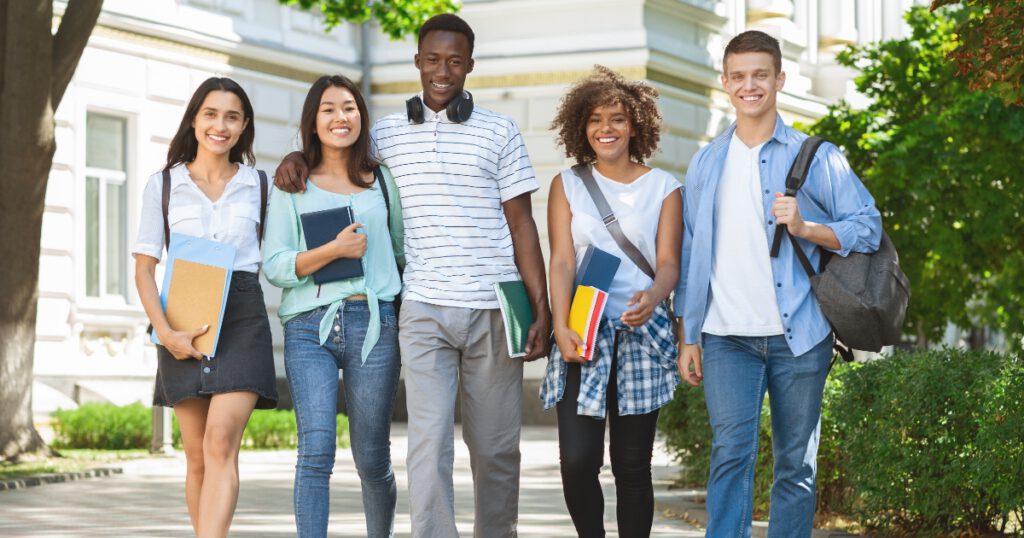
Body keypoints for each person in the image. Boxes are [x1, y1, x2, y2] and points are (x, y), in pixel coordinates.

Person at [273, 14, 552, 538]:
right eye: (432, 59)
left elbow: (523, 225)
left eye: (454, 61)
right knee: (428, 445)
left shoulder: (501, 131)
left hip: (493, 304)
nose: (442, 70)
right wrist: (296, 157)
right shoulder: (384, 137)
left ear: (469, 65)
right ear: (417, 61)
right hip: (422, 307)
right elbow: (334, 154)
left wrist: (541, 310)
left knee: (495, 449)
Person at [674, 30, 882, 537]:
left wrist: (808, 227)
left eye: (760, 75)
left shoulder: (817, 155)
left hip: (801, 336)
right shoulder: (706, 161)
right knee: (730, 457)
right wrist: (688, 334)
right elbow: (691, 251)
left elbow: (868, 225)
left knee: (796, 465)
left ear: (779, 79)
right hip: (726, 338)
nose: (750, 86)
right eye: (739, 76)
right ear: (725, 82)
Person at [541, 66, 682, 538]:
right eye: (596, 119)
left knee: (632, 467)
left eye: (618, 118)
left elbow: (668, 265)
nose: (606, 128)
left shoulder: (664, 187)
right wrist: (560, 324)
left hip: (640, 334)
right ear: (582, 126)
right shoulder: (568, 184)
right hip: (583, 330)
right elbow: (561, 261)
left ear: (636, 125)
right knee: (578, 461)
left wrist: (654, 296)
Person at [133, 77, 278, 538]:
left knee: (221, 443)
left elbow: (277, 256)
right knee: (195, 455)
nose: (220, 125)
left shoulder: (261, 185)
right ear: (195, 119)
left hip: (242, 315)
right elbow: (143, 269)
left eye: (231, 116)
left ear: (244, 126)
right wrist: (165, 332)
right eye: (211, 114)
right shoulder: (163, 185)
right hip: (180, 319)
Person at [262, 75, 403, 538]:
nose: (340, 117)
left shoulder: (382, 181)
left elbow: (401, 252)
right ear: (313, 120)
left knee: (373, 458)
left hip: (375, 324)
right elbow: (277, 266)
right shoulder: (293, 183)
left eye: (348, 107)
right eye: (328, 109)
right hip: (309, 327)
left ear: (361, 117)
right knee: (316, 450)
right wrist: (333, 252)